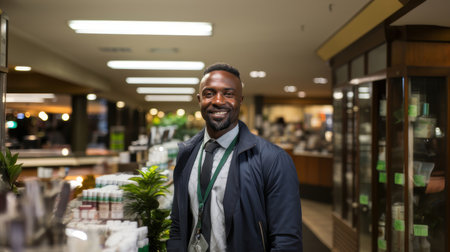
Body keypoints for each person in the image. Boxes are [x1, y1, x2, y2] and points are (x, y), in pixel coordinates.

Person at [167, 63, 303, 252]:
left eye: (228, 94)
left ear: (240, 100)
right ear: (199, 100)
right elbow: (178, 224)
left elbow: (286, 240)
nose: (218, 100)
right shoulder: (186, 154)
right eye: (209, 93)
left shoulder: (273, 160)